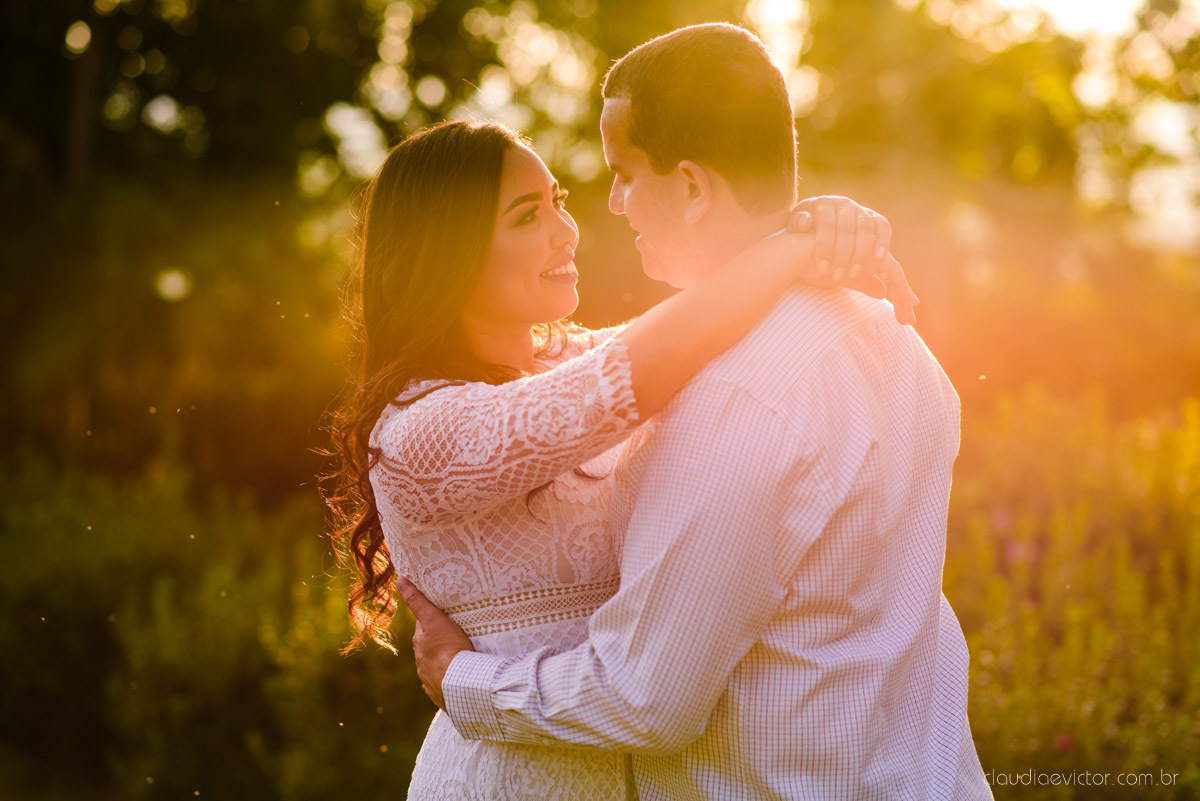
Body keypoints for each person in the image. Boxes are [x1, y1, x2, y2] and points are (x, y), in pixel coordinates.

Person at [398, 23, 993, 801]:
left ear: (690, 186)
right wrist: (803, 229)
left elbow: (647, 698)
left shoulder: (734, 396)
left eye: (624, 173)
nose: (610, 204)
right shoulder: (899, 341)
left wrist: (462, 679)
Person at [325, 116, 914, 798]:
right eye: (527, 216)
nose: (565, 231)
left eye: (558, 203)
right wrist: (790, 246)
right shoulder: (418, 433)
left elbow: (702, 320)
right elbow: (646, 363)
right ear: (448, 250)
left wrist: (819, 225)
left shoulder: (565, 362)